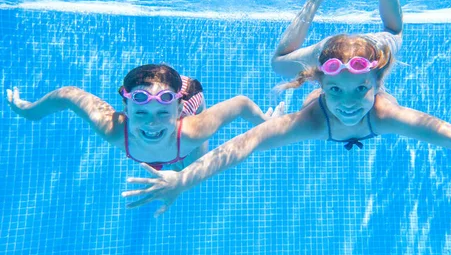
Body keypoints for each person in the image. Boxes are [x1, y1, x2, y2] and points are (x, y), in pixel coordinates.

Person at [122, 0, 451, 235]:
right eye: (335, 93)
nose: (349, 105)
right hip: (327, 52)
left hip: (370, 48)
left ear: (377, 83)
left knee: (392, 35)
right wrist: (181, 180)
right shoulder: (310, 118)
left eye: (359, 92)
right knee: (279, 63)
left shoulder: (384, 106)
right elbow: (243, 145)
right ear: (320, 87)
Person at [6, 63, 285, 171]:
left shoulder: (193, 130)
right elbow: (67, 95)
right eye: (140, 112)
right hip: (168, 125)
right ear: (126, 109)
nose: (151, 122)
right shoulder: (113, 128)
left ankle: (179, 90)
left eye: (162, 112)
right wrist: (28, 112)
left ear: (176, 111)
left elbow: (240, 104)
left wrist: (265, 121)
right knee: (163, 166)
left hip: (188, 106)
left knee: (188, 169)